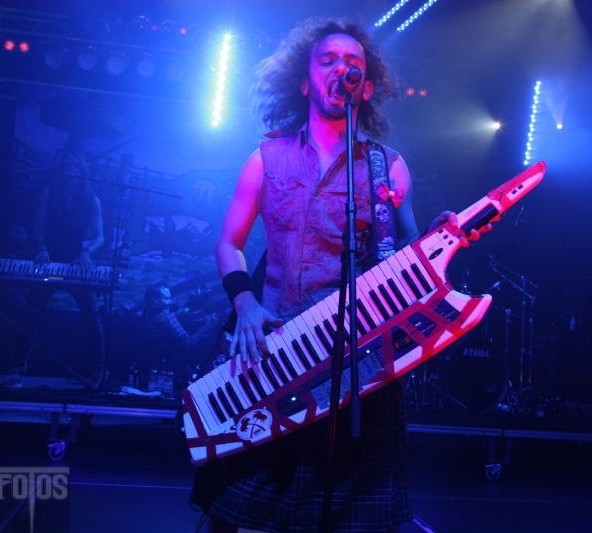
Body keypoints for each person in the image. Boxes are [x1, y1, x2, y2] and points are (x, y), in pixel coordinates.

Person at [188, 17, 447, 533]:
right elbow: (228, 243)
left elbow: (405, 255)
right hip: (275, 348)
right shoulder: (265, 158)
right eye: (327, 60)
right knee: (234, 506)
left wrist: (436, 241)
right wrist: (244, 303)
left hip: (356, 354)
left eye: (352, 63)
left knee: (352, 510)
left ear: (366, 86)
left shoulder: (388, 168)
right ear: (305, 81)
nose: (340, 69)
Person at [16, 149, 107, 390]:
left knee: (92, 316)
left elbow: (100, 237)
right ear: (61, 169)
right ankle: (18, 365)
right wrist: (42, 248)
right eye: (68, 166)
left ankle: (98, 370)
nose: (71, 171)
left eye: (76, 167)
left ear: (83, 171)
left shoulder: (92, 199)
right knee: (33, 311)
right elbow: (38, 228)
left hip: (77, 262)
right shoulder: (50, 192)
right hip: (50, 259)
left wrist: (87, 252)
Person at [137, 282, 220, 393]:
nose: (170, 302)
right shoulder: (167, 318)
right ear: (155, 300)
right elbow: (188, 343)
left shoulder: (145, 314)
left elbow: (171, 315)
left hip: (148, 372)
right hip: (167, 375)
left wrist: (187, 310)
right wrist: (208, 325)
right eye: (167, 299)